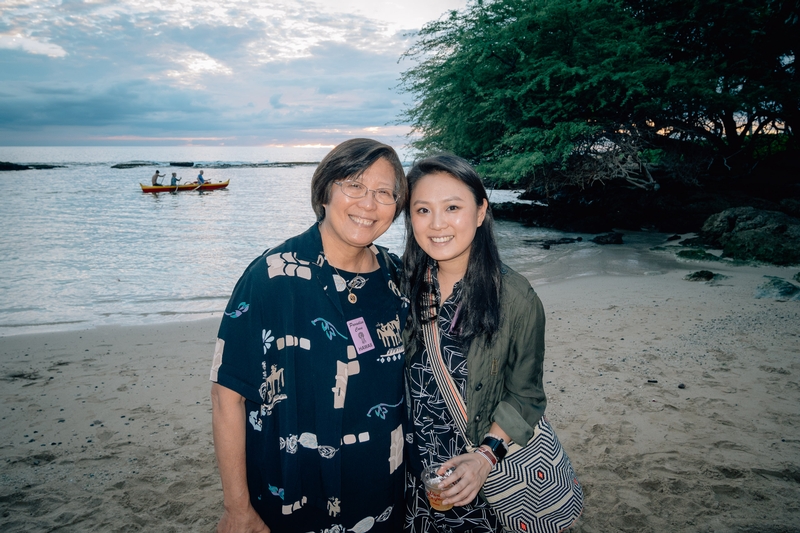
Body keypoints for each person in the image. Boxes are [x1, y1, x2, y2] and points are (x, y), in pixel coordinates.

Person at [210, 138, 409, 533]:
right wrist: (237, 508)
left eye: (384, 192)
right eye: (354, 185)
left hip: (383, 494)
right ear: (325, 191)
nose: (368, 204)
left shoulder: (396, 276)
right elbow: (226, 394)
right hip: (293, 492)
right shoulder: (272, 277)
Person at [402, 154, 546, 533]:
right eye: (422, 210)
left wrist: (484, 457)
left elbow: (526, 395)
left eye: (452, 207)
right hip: (413, 475)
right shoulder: (400, 287)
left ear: (481, 211)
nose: (437, 224)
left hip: (479, 477)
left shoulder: (515, 297)